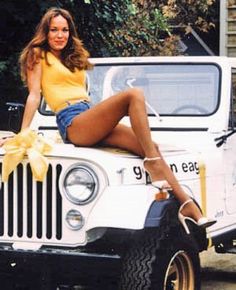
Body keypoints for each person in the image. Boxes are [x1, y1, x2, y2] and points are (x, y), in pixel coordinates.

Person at [17, 7, 215, 234]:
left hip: (87, 114)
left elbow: (81, 94)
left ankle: (187, 205)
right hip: (73, 122)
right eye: (54, 30)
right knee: (134, 95)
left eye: (64, 30)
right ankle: (151, 164)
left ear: (70, 33)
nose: (60, 35)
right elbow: (34, 94)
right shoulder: (38, 54)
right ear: (46, 31)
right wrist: (24, 132)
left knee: (152, 147)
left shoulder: (73, 57)